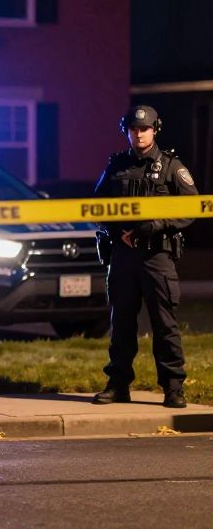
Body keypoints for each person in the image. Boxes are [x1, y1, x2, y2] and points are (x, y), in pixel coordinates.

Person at [92, 104, 197, 408]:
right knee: (121, 324)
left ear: (155, 130)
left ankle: (173, 388)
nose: (139, 134)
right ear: (126, 131)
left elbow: (192, 207)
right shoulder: (116, 166)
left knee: (165, 325)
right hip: (123, 256)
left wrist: (154, 226)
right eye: (133, 129)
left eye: (144, 129)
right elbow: (97, 206)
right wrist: (117, 231)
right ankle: (117, 384)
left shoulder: (171, 166)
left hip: (156, 256)